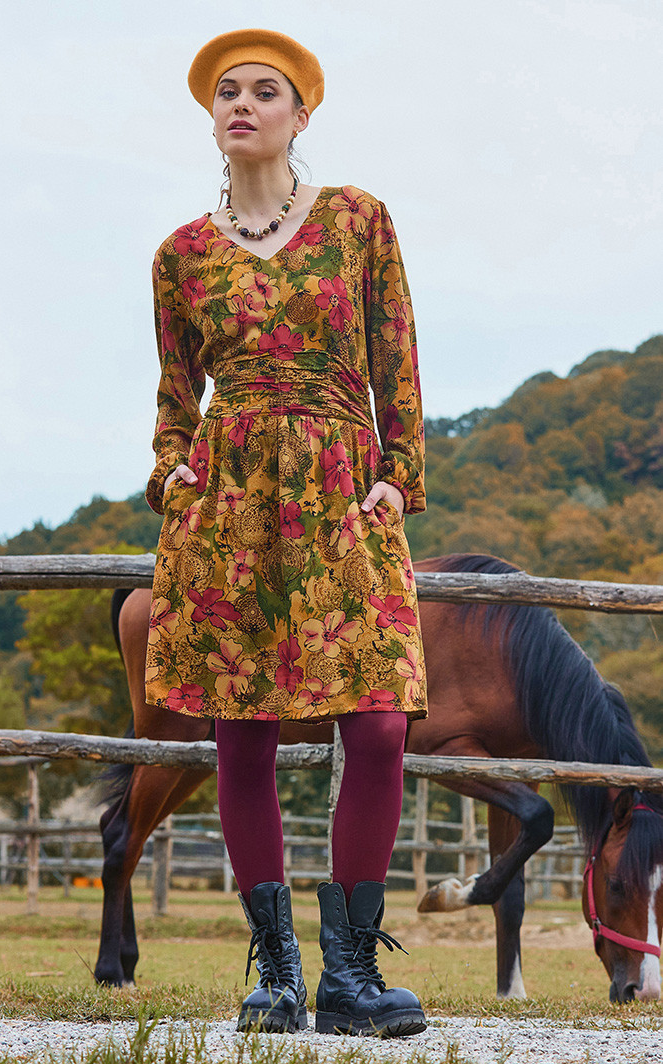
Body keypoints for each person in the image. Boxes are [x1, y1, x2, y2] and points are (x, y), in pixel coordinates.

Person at [144, 28, 428, 1038]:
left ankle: (352, 976)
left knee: (380, 723)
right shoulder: (180, 255)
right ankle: (276, 976)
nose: (244, 104)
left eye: (266, 91)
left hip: (346, 490)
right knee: (243, 735)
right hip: (230, 502)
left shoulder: (358, 219)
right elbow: (175, 395)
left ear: (300, 114)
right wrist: (171, 467)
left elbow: (395, 355)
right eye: (228, 90)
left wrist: (399, 472)